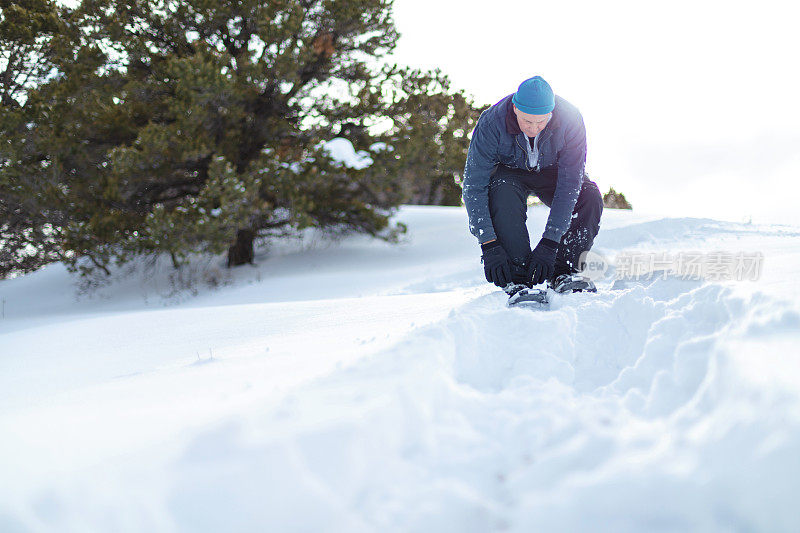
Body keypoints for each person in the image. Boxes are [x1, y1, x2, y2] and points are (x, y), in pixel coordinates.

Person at [462, 76, 603, 294]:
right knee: (500, 190)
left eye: (541, 122)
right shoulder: (491, 123)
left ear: (552, 112)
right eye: (528, 121)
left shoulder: (571, 119)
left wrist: (550, 243)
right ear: (515, 108)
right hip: (510, 171)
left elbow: (570, 183)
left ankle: (563, 272)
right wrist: (488, 244)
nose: (534, 128)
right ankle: (517, 276)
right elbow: (474, 186)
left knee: (589, 196)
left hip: (553, 171)